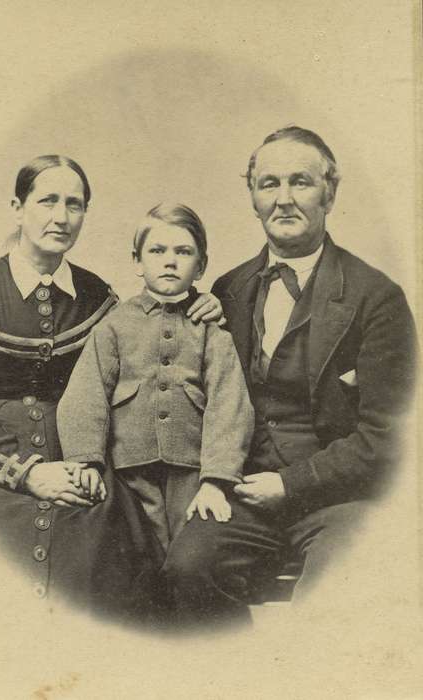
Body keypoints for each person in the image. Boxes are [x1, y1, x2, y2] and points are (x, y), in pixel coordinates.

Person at [0, 156, 224, 623]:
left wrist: (195, 306)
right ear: (17, 207)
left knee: (111, 537)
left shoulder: (97, 297)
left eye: (75, 204)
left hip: (83, 454)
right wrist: (27, 474)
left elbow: (152, 360)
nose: (61, 217)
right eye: (47, 201)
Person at [163, 126, 418, 627]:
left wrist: (290, 483)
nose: (283, 200)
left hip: (339, 499)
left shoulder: (377, 298)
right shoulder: (227, 290)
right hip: (243, 495)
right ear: (253, 198)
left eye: (300, 182)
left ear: (331, 191)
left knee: (342, 593)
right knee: (186, 570)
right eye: (268, 184)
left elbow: (388, 439)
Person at [57, 203, 254, 553]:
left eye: (183, 251)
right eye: (157, 251)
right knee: (136, 552)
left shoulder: (210, 329)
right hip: (128, 470)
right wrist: (85, 460)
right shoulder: (115, 324)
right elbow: (86, 393)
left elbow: (229, 403)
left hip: (193, 470)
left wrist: (216, 480)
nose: (170, 261)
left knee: (190, 551)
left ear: (201, 266)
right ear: (137, 261)